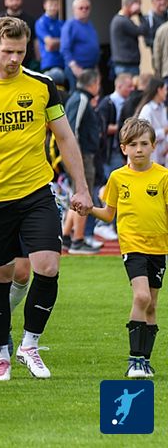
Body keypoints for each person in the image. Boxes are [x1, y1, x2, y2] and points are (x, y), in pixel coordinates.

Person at [0, 16, 93, 381]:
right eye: (7, 52)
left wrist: (81, 186)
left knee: (48, 266)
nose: (14, 59)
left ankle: (30, 345)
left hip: (37, 193)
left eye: (20, 51)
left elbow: (65, 137)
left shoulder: (42, 86)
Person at [91, 118, 166, 379]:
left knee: (152, 305)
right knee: (142, 297)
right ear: (123, 148)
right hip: (132, 245)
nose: (139, 149)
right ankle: (134, 361)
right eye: (132, 145)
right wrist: (89, 209)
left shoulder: (163, 176)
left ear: (154, 146)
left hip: (159, 247)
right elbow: (108, 213)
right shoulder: (117, 177)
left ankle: (145, 361)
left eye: (144, 144)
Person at [64, 69, 104, 254]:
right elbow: (73, 129)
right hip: (82, 156)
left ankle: (66, 236)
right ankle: (78, 240)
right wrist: (76, 157)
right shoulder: (81, 99)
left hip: (81, 155)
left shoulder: (79, 98)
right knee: (83, 195)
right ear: (93, 84)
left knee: (76, 195)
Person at [0, 0, 39, 69]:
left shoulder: (30, 19)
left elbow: (35, 41)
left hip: (27, 63)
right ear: (6, 1)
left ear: (21, 0)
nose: (14, 2)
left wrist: (38, 59)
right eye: (11, 0)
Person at [61, 0, 100, 92]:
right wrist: (74, 67)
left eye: (87, 8)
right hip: (77, 69)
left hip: (91, 68)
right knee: (78, 94)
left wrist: (96, 67)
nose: (84, 10)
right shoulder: (70, 26)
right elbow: (65, 49)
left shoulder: (90, 24)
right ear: (74, 10)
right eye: (81, 8)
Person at [110, 0, 145, 77]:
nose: (139, 7)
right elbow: (142, 30)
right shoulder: (122, 21)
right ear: (131, 4)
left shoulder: (121, 19)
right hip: (126, 66)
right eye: (138, 4)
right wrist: (140, 14)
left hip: (126, 64)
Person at [135, 79, 168, 165]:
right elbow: (144, 135)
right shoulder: (147, 110)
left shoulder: (162, 108)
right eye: (165, 89)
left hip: (162, 158)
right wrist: (164, 131)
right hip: (151, 158)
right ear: (159, 90)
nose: (166, 93)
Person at [35, 0, 65, 85]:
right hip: (49, 63)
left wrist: (57, 43)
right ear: (45, 6)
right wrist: (62, 42)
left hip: (63, 62)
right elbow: (50, 43)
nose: (53, 8)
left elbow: (70, 42)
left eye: (55, 5)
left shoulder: (61, 23)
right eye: (50, 5)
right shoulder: (41, 22)